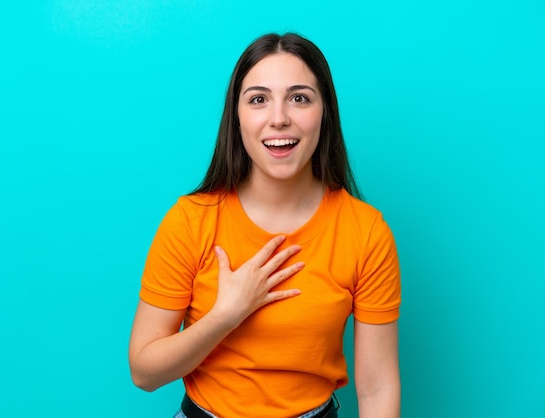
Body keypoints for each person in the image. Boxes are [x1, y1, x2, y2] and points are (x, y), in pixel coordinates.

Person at [129, 33, 401, 418]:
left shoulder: (366, 232)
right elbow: (144, 372)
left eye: (300, 98)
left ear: (325, 112)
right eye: (258, 99)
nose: (279, 118)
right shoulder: (190, 221)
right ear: (236, 116)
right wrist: (226, 314)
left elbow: (377, 387)